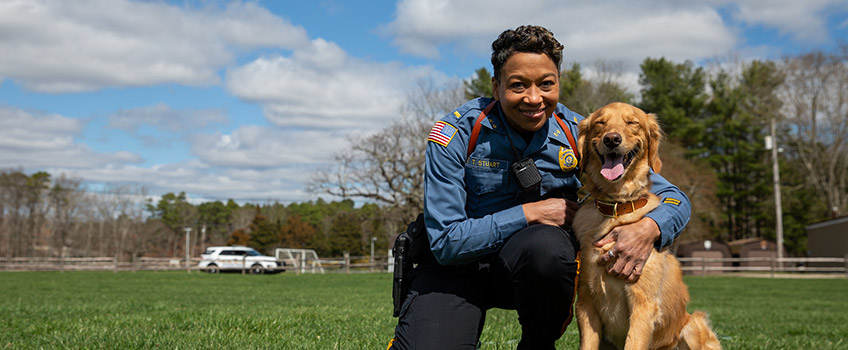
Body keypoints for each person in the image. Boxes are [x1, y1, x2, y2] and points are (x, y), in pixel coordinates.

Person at [387, 25, 691, 350]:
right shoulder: (457, 133)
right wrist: (529, 213)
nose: (534, 98)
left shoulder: (581, 134)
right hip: (454, 270)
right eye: (518, 85)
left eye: (546, 84)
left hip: (532, 269)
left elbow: (675, 199)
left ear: (558, 82)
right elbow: (446, 243)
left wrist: (649, 227)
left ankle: (538, 343)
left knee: (548, 248)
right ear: (496, 85)